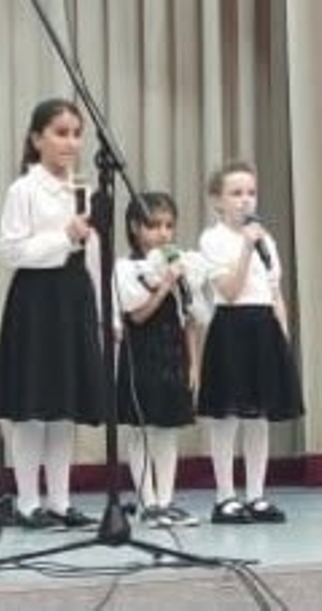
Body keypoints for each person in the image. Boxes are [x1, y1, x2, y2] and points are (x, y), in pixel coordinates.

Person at [0, 98, 106, 529]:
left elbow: (92, 256)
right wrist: (64, 236)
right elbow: (11, 251)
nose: (70, 142)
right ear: (37, 139)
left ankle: (60, 501)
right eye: (60, 133)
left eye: (76, 134)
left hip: (75, 298)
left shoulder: (83, 190)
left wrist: (104, 312)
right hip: (37, 301)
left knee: (63, 406)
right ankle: (27, 502)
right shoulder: (23, 190)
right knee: (33, 406)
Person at [197, 160, 304, 525]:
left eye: (251, 193)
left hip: (263, 327)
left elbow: (274, 291)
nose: (245, 200)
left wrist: (282, 336)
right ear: (218, 200)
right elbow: (228, 289)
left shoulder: (266, 239)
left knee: (259, 417)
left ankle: (256, 495)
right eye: (236, 193)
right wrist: (245, 247)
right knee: (227, 417)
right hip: (231, 327)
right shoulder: (212, 239)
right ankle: (225, 497)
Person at [113, 192, 201, 528]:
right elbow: (138, 315)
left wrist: (194, 363)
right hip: (142, 356)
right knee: (142, 431)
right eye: (153, 226)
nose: (163, 233)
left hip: (171, 356)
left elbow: (189, 319)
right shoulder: (128, 268)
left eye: (168, 226)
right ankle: (147, 502)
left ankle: (166, 500)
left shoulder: (180, 267)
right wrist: (165, 283)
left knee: (168, 431)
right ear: (135, 227)